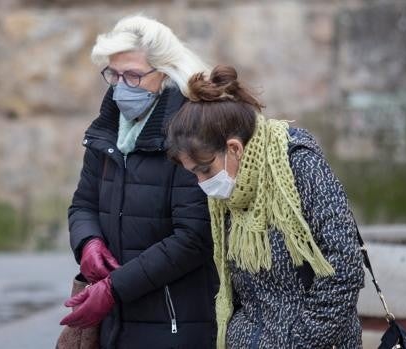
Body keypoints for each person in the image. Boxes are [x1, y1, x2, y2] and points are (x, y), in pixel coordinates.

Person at [165, 65, 365, 349]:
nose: (201, 183)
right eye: (193, 173)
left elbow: (344, 269)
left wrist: (300, 342)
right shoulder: (232, 192)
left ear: (234, 148)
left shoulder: (300, 165)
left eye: (205, 170)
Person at [59, 15, 218, 348]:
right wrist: (87, 242)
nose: (121, 86)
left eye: (133, 75)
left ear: (165, 73)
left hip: (176, 322)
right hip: (114, 323)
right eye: (113, 75)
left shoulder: (191, 130)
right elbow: (83, 203)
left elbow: (193, 237)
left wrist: (114, 288)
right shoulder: (107, 130)